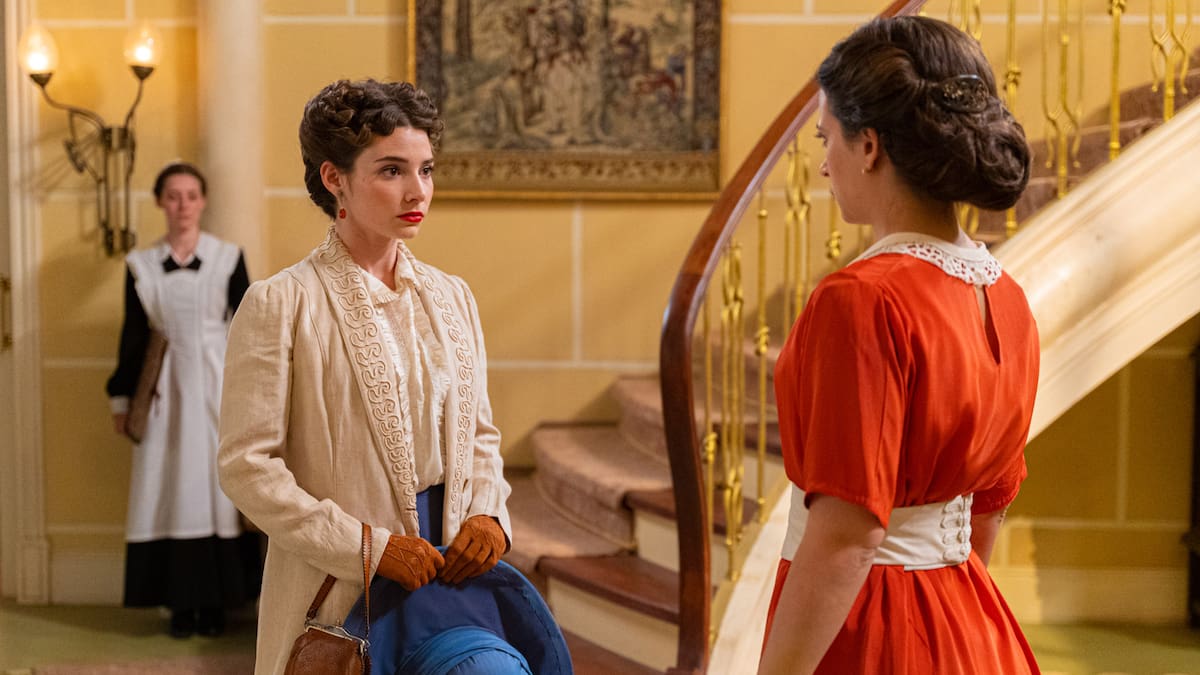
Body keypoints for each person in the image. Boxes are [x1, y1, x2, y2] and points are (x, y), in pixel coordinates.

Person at [758, 16, 1040, 674]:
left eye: (827, 137)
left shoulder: (862, 298)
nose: (823, 163)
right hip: (970, 620)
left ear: (870, 147)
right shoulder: (1007, 296)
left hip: (872, 630)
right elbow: (988, 509)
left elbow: (847, 536)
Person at [217, 79, 512, 675]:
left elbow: (480, 435)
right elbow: (247, 467)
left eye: (426, 170)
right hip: (339, 594)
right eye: (391, 170)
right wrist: (367, 549)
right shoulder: (281, 303)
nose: (417, 190)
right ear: (334, 178)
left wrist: (489, 514)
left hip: (451, 583)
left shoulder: (453, 296)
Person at [105, 161, 260, 638]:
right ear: (159, 202)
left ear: (203, 201)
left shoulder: (227, 258)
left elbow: (251, 330)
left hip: (218, 387)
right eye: (173, 196)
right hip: (164, 392)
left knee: (218, 487)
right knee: (167, 488)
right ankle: (178, 605)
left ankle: (216, 604)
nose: (183, 205)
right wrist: (121, 400)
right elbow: (133, 336)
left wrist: (258, 397)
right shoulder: (141, 265)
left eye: (191, 196)